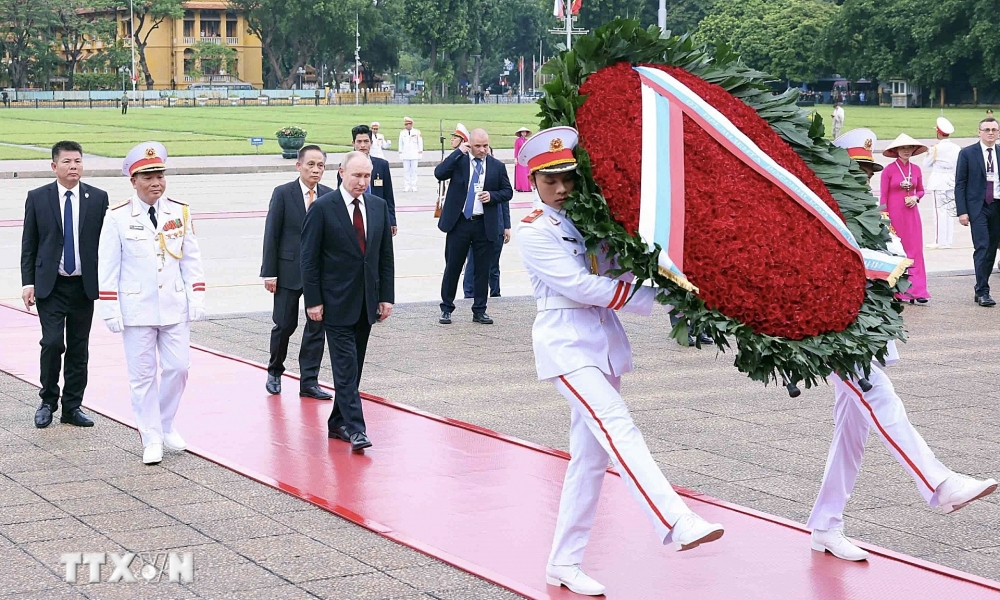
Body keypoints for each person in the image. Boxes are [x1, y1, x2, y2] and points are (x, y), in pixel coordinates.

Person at [516, 127, 724, 596]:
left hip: (603, 344)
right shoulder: (533, 232)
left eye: (568, 177)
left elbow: (621, 266)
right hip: (566, 344)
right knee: (617, 425)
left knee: (588, 461)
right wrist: (656, 294)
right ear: (533, 181)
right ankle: (676, 518)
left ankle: (563, 563)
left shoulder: (593, 221)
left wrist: (673, 276)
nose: (562, 188)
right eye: (551, 181)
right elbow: (582, 287)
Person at [807, 344, 997, 561]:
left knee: (851, 430)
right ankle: (942, 484)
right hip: (826, 333)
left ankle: (826, 522)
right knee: (875, 390)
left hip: (852, 326)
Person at [98, 142, 206, 465]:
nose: (156, 182)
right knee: (143, 376)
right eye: (147, 177)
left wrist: (196, 295)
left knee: (179, 368)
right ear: (133, 181)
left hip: (174, 305)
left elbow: (191, 259)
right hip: (137, 308)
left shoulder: (179, 211)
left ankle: (165, 422)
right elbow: (108, 267)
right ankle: (151, 436)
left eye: (159, 175)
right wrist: (110, 307)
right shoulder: (117, 217)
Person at [301, 151, 394, 453]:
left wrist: (386, 297)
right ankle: (356, 429)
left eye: (367, 176)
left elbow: (384, 258)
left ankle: (337, 422)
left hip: (366, 302)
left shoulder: (378, 207)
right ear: (341, 173)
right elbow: (309, 260)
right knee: (344, 367)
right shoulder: (323, 208)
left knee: (354, 369)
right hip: (334, 303)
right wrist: (313, 301)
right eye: (357, 175)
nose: (362, 182)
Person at [20, 141, 109, 429]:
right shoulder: (38, 197)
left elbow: (106, 244)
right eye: (68, 161)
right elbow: (29, 244)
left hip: (83, 286)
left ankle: (72, 407)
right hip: (51, 285)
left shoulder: (97, 198)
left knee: (79, 348)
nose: (74, 166)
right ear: (54, 166)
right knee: (53, 342)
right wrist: (28, 282)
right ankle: (48, 400)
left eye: (79, 161)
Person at [260, 145, 332, 400]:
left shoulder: (329, 196)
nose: (315, 170)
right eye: (310, 164)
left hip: (319, 277)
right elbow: (272, 234)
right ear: (298, 165)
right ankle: (275, 371)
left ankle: (309, 381)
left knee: (317, 328)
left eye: (320, 165)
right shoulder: (283, 194)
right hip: (288, 272)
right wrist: (270, 273)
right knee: (284, 325)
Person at [434, 128, 513, 325]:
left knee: (482, 269)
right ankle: (446, 308)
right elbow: (439, 173)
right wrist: (458, 151)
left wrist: (492, 196)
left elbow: (507, 192)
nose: (483, 150)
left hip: (483, 223)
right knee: (453, 266)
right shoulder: (459, 161)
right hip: (459, 222)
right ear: (469, 144)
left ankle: (479, 310)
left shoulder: (496, 166)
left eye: (485, 145)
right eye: (478, 146)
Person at [955, 117, 1000, 307]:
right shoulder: (967, 153)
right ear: (979, 132)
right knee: (982, 246)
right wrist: (962, 212)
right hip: (978, 207)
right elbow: (960, 184)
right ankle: (983, 292)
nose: (990, 133)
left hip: (997, 206)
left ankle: (980, 286)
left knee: (991, 249)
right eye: (987, 129)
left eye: (994, 130)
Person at [880, 134, 929, 303]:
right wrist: (884, 217)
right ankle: (899, 291)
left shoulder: (916, 169)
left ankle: (919, 291)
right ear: (896, 151)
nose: (906, 150)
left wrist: (915, 197)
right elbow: (883, 196)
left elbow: (921, 190)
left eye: (909, 148)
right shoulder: (889, 170)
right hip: (894, 216)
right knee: (898, 252)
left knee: (915, 251)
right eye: (902, 148)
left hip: (912, 216)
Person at [338, 124, 397, 235]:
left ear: (371, 142)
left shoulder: (381, 165)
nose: (363, 145)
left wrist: (392, 220)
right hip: (354, 216)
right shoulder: (344, 166)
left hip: (377, 216)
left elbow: (388, 195)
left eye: (366, 141)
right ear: (353, 143)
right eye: (359, 142)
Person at [924, 117, 961, 249]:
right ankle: (948, 240)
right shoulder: (957, 148)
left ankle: (940, 241)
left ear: (939, 133)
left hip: (938, 181)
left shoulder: (936, 148)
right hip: (952, 180)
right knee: (949, 212)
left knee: (939, 213)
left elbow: (926, 164)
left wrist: (929, 152)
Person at [463, 200, 510, 299]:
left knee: (494, 263)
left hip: (496, 225)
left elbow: (504, 202)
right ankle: (469, 294)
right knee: (472, 262)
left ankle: (495, 293)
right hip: (475, 226)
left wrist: (506, 226)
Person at [398, 117, 423, 192]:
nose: (407, 126)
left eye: (408, 124)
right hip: (405, 154)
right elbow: (400, 143)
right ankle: (407, 185)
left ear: (411, 124)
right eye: (405, 124)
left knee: (414, 170)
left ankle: (414, 185)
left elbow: (420, 142)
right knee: (406, 170)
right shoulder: (402, 133)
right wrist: (400, 152)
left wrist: (420, 152)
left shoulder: (417, 132)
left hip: (414, 153)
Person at [514, 126, 532, 192]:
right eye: (522, 132)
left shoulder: (527, 141)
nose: (524, 133)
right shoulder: (518, 141)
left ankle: (527, 187)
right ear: (520, 133)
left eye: (525, 132)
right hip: (520, 158)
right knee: (521, 173)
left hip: (526, 159)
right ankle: (521, 187)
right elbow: (516, 150)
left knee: (526, 173)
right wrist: (515, 158)